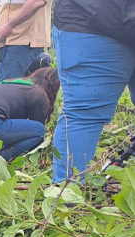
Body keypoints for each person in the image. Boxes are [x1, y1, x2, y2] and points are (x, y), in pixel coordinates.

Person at [51, 0, 135, 182]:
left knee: (84, 114)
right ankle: (67, 196)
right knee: (85, 114)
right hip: (94, 23)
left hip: (93, 22)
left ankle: (68, 196)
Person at [0, 67, 61, 161]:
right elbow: (37, 136)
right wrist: (40, 156)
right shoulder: (38, 94)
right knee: (39, 130)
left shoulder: (15, 84)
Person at [0, 0, 53, 84]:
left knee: (6, 89)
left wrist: (9, 26)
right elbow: (11, 4)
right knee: (24, 90)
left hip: (22, 41)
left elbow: (36, 2)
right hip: (17, 41)